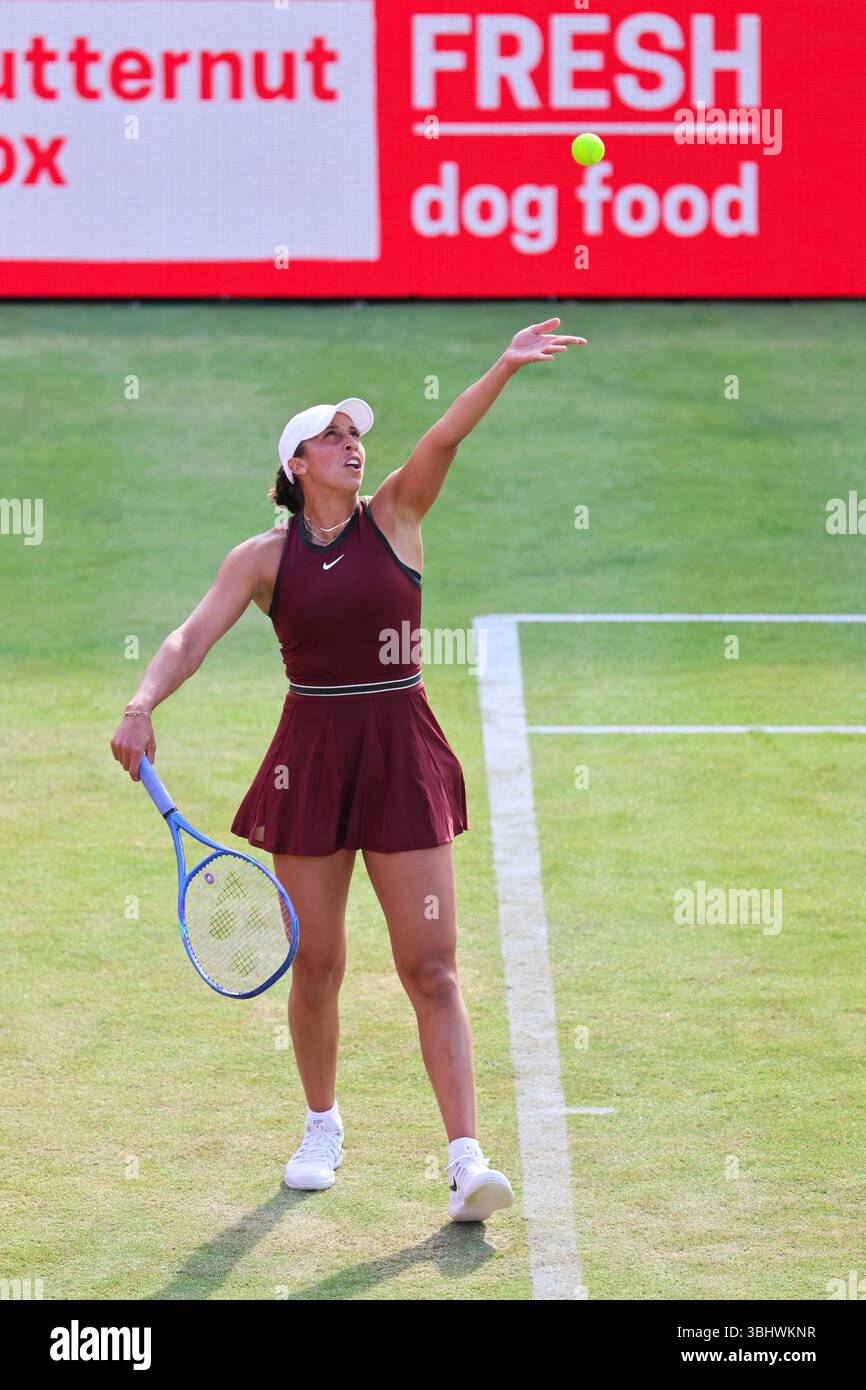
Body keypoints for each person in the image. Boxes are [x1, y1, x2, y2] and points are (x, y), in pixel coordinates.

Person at [111, 317, 585, 1222]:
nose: (351, 445)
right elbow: (188, 637)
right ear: (296, 465)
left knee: (432, 968)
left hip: (401, 754)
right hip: (311, 766)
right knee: (317, 964)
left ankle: (465, 1158)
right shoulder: (260, 559)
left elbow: (444, 435)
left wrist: (503, 368)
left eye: (354, 434)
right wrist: (142, 703)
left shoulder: (399, 514)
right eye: (330, 437)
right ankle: (321, 1126)